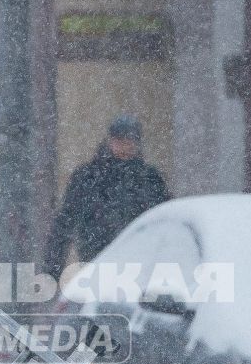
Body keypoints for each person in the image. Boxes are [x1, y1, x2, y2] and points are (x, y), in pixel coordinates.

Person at [44, 115, 169, 276]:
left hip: (140, 265)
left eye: (130, 141)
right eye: (120, 140)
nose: (126, 146)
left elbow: (163, 220)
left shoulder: (150, 179)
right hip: (97, 262)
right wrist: (51, 271)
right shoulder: (88, 177)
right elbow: (64, 222)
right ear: (110, 140)